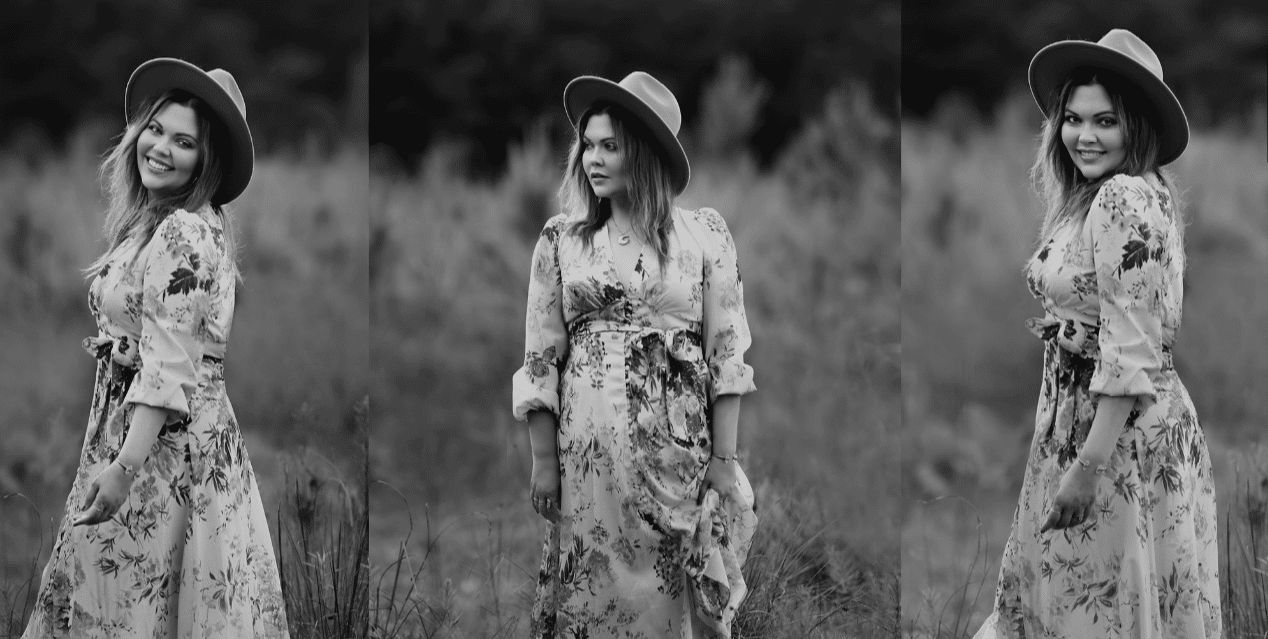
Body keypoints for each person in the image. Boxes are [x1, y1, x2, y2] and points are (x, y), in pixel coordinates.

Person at [23, 58, 289, 638]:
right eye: (156, 129)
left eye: (184, 141)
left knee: (131, 606)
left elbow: (169, 367)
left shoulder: (182, 231)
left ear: (206, 159)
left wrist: (123, 467)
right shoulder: (169, 223)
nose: (161, 148)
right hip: (157, 440)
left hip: (162, 454)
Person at [975, 29, 1220, 638]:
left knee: (1095, 605)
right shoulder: (1126, 195)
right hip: (1095, 417)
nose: (1084, 136)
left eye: (1105, 121)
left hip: (1114, 430)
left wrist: (1089, 463)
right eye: (1073, 118)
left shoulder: (1121, 198)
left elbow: (1131, 343)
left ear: (1134, 125)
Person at [512, 71, 759, 637]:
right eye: (588, 145)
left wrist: (723, 460)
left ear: (643, 154)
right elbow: (540, 359)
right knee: (593, 590)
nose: (592, 159)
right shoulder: (562, 240)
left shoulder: (703, 237)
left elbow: (726, 358)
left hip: (678, 452)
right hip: (588, 453)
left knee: (671, 588)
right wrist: (544, 460)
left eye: (610, 146)